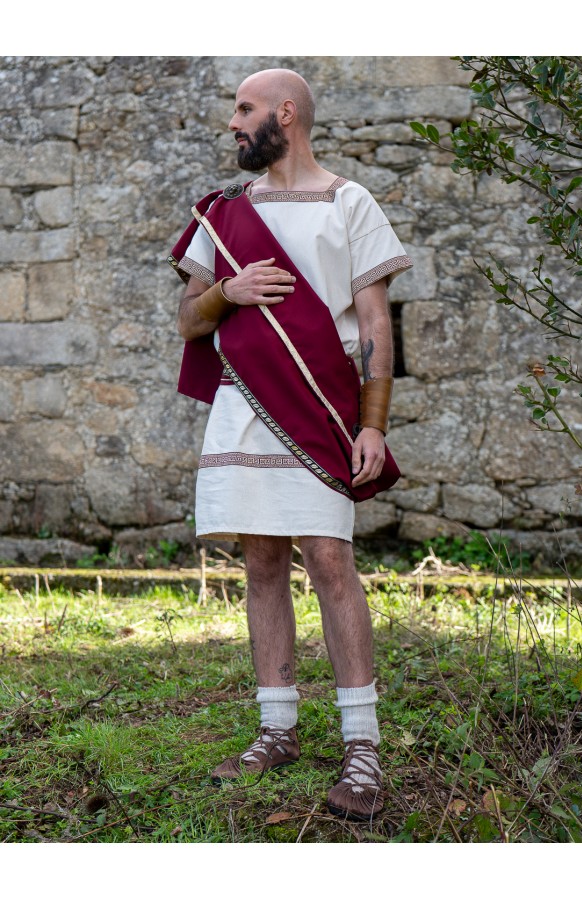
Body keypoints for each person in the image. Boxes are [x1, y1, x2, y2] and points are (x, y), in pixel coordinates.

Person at [171, 68, 412, 821]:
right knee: (261, 559)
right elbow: (188, 322)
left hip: (320, 405)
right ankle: (277, 728)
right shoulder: (224, 215)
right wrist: (224, 294)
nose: (234, 123)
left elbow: (374, 325)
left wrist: (372, 421)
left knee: (330, 558)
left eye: (244, 109)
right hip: (247, 407)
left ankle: (361, 747)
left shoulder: (349, 202)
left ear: (285, 113)